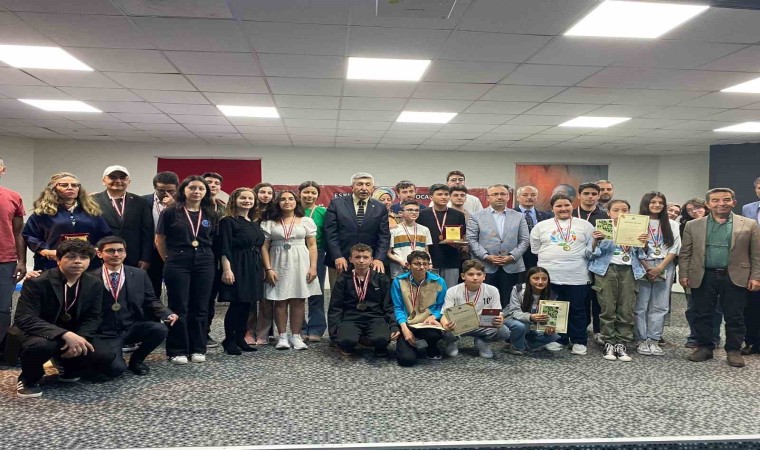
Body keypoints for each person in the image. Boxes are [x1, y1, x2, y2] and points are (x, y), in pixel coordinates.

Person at [10, 239, 102, 398]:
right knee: (40, 346)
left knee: (103, 354)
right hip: (39, 333)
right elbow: (25, 318)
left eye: (83, 257)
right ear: (58, 260)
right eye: (71, 257)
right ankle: (28, 379)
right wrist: (64, 334)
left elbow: (94, 316)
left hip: (74, 332)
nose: (78, 261)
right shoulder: (38, 282)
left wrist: (81, 338)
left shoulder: (94, 283)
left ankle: (65, 363)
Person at [680, 188, 760, 368]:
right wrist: (684, 274)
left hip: (735, 276)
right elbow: (685, 253)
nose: (721, 203)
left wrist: (756, 276)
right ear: (708, 204)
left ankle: (733, 350)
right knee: (702, 313)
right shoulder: (693, 225)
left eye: (726, 199)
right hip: (703, 275)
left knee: (735, 316)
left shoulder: (749, 224)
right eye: (715, 200)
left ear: (734, 202)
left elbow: (756, 254)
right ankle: (705, 347)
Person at [89, 236, 177, 377]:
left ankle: (136, 361)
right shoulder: (90, 278)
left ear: (125, 253)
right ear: (99, 253)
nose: (116, 254)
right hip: (105, 332)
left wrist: (166, 313)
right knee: (115, 370)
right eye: (110, 251)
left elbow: (150, 299)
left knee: (160, 329)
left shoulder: (139, 274)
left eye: (120, 250)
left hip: (131, 326)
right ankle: (114, 358)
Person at [155, 175, 217, 365]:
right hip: (178, 260)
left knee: (201, 306)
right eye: (192, 188)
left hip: (205, 259)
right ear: (183, 190)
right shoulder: (170, 212)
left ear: (206, 192)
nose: (196, 192)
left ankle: (198, 348)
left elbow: (214, 238)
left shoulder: (211, 213)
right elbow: (159, 239)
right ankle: (177, 350)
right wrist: (169, 259)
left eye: (201, 188)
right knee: (179, 305)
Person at [530, 193, 595, 355]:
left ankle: (579, 341)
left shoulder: (585, 225)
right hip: (549, 275)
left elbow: (591, 250)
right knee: (552, 309)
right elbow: (535, 249)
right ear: (552, 208)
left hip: (577, 275)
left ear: (572, 206)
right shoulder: (541, 226)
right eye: (559, 206)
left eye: (566, 205)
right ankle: (557, 339)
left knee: (577, 309)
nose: (563, 208)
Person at [588, 199, 647, 362]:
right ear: (608, 213)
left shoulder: (636, 229)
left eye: (625, 210)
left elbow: (642, 255)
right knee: (607, 307)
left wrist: (643, 243)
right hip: (606, 270)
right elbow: (590, 254)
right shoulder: (602, 228)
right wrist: (596, 241)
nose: (620, 213)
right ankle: (609, 341)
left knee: (626, 308)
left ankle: (622, 343)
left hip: (629, 270)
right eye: (616, 210)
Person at [261, 190, 320, 350]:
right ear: (277, 203)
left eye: (291, 199)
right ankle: (282, 336)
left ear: (296, 201)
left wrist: (313, 267)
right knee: (280, 300)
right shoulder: (270, 223)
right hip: (277, 262)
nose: (287, 202)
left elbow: (312, 246)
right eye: (283, 199)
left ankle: (296, 336)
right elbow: (264, 247)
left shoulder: (306, 221)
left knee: (299, 300)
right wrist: (268, 269)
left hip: (301, 262)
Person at [23, 172, 111, 271]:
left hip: (87, 263)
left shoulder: (91, 211)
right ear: (53, 189)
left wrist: (97, 248)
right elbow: (30, 236)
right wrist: (45, 251)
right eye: (64, 185)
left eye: (74, 185)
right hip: (53, 263)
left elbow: (105, 235)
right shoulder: (43, 212)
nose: (70, 187)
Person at [328, 244, 399, 356]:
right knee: (346, 341)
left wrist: (393, 326)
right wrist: (334, 332)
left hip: (375, 317)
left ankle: (368, 339)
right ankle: (354, 339)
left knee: (382, 340)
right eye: (357, 257)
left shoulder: (381, 279)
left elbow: (388, 305)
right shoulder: (343, 279)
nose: (361, 261)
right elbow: (335, 307)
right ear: (350, 259)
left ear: (371, 260)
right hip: (350, 318)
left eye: (365, 257)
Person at [217, 187, 265, 355]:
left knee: (247, 304)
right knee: (237, 304)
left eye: (250, 198)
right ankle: (229, 340)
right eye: (243, 198)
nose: (247, 201)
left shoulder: (253, 222)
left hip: (253, 266)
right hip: (237, 265)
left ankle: (240, 338)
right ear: (234, 200)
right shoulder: (227, 221)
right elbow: (224, 247)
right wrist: (227, 269)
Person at [466, 184, 529, 308]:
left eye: (503, 194)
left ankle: (507, 320)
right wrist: (486, 256)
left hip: (512, 266)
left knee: (509, 302)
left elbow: (525, 240)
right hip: (485, 266)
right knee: (484, 301)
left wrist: (512, 256)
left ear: (508, 197)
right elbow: (471, 240)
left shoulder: (519, 216)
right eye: (495, 194)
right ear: (488, 198)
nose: (499, 197)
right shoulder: (476, 216)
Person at [635, 192, 681, 357]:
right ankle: (641, 339)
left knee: (660, 305)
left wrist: (659, 268)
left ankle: (653, 339)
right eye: (653, 202)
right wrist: (648, 267)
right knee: (641, 305)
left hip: (664, 265)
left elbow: (675, 248)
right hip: (642, 264)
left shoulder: (672, 224)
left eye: (660, 202)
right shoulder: (638, 222)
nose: (657, 205)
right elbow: (633, 248)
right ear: (646, 203)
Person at [324, 172, 390, 287]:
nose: (364, 188)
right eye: (360, 184)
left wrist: (379, 258)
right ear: (352, 187)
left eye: (368, 185)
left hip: (369, 262)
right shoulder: (336, 204)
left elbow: (384, 235)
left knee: (367, 295)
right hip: (340, 261)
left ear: (372, 188)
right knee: (337, 295)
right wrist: (337, 256)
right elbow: (330, 233)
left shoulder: (380, 207)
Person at [440, 260, 508, 359]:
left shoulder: (492, 290)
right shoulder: (452, 291)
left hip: (482, 325)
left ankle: (482, 341)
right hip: (459, 325)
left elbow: (498, 313)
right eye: (471, 274)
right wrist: (446, 325)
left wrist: (500, 319)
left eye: (479, 274)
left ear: (484, 276)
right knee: (445, 330)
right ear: (463, 276)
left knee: (504, 331)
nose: (475, 277)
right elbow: (445, 314)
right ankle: (453, 342)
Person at [390, 251, 447, 366]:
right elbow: (398, 308)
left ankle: (430, 345)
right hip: (407, 323)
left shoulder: (439, 281)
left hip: (427, 323)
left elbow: (441, 306)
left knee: (433, 336)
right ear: (408, 265)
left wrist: (434, 316)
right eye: (417, 263)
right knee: (406, 360)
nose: (421, 267)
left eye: (425, 264)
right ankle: (413, 344)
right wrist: (404, 329)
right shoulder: (399, 281)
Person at [680, 197, 722, 348]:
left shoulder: (719, 224)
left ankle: (714, 337)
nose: (694, 211)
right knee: (693, 307)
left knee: (715, 308)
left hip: (715, 271)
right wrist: (684, 274)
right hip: (694, 272)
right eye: (689, 210)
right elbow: (685, 252)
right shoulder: (686, 226)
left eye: (697, 208)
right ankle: (694, 336)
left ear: (705, 207)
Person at [92, 166, 153, 270]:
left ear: (129, 181)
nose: (118, 181)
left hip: (133, 257)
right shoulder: (92, 201)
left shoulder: (140, 202)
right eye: (113, 177)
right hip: (101, 256)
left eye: (123, 178)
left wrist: (146, 257)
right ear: (103, 181)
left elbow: (147, 232)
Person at [575, 182, 609, 345]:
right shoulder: (571, 214)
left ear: (598, 196)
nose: (590, 197)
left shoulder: (605, 217)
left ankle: (598, 330)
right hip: (576, 262)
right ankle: (580, 328)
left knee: (597, 298)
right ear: (579, 195)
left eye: (594, 194)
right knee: (579, 299)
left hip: (598, 263)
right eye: (586, 193)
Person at [417, 184, 468, 289]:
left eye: (446, 194)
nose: (444, 197)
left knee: (450, 291)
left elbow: (462, 236)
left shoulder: (458, 215)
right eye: (440, 194)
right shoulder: (422, 215)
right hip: (429, 260)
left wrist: (459, 244)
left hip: (451, 260)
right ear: (431, 197)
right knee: (429, 292)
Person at [0, 157, 26, 355]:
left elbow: (18, 233)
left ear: (3, 170)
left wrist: (22, 261)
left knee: (2, 308)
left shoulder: (13, 197)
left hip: (5, 260)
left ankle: (1, 348)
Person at [504, 267, 563, 354]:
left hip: (533, 325)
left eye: (544, 279)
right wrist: (531, 317)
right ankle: (517, 348)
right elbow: (514, 312)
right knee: (521, 326)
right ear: (529, 279)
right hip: (512, 319)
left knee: (554, 336)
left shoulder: (551, 295)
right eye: (536, 278)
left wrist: (549, 328)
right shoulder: (518, 289)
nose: (540, 282)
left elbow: (549, 319)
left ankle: (522, 342)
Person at [246, 182, 275, 345]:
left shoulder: (276, 213)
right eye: (262, 192)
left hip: (271, 257)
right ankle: (249, 331)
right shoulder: (248, 212)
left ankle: (264, 332)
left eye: (269, 193)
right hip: (249, 258)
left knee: (267, 298)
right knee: (249, 297)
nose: (266, 195)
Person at [142, 171, 178, 301]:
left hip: (175, 252)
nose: (166, 194)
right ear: (154, 187)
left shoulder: (182, 204)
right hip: (151, 251)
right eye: (161, 190)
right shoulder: (143, 201)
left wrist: (174, 206)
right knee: (152, 290)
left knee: (176, 290)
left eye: (171, 191)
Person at [299, 181, 328, 342]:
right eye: (306, 192)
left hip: (317, 253)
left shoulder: (323, 212)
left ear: (317, 195)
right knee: (296, 292)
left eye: (313, 193)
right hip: (295, 253)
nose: (309, 195)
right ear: (299, 193)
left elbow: (328, 234)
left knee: (316, 291)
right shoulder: (292, 210)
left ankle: (316, 327)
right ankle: (299, 328)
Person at [387, 200, 433, 279]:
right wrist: (401, 261)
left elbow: (426, 251)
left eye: (416, 210)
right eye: (410, 210)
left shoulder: (425, 230)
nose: (414, 212)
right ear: (401, 213)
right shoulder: (394, 230)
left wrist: (430, 263)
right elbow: (389, 253)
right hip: (400, 269)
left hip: (419, 268)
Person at [513, 185, 553, 272]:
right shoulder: (510, 215)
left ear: (537, 197)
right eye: (525, 195)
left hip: (538, 256)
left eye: (533, 195)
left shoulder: (546, 216)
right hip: (517, 257)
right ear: (518, 198)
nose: (529, 197)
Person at [741, 177, 760, 356]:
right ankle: (751, 342)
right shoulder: (747, 209)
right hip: (753, 263)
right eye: (759, 187)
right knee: (752, 306)